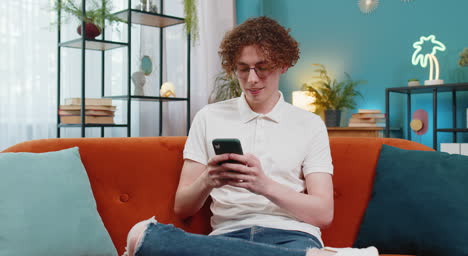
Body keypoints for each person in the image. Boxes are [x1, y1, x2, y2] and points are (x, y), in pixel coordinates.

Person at [122, 16, 378, 256]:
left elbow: (323, 213)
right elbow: (183, 207)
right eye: (243, 69)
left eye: (262, 68)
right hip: (228, 238)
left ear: (283, 65)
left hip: (292, 238)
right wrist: (208, 179)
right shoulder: (208, 117)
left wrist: (263, 185)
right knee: (141, 234)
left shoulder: (309, 124)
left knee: (144, 240)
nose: (251, 79)